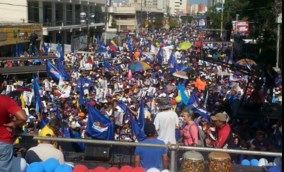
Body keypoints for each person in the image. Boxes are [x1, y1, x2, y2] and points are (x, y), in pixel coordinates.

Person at [0, 75, 27, 172]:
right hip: (3, 141)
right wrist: (14, 124)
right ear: (2, 85)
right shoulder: (6, 100)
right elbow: (23, 117)